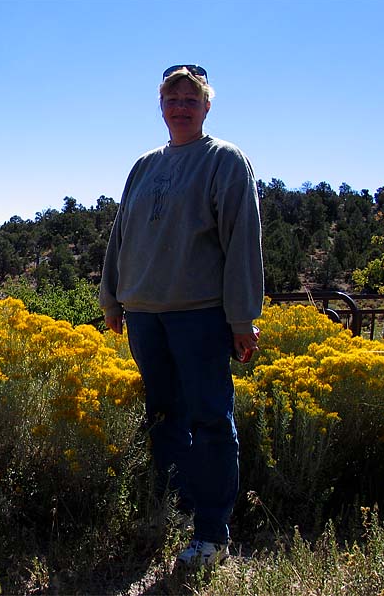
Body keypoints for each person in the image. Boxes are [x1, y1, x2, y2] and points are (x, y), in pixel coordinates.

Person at [98, 64, 264, 566]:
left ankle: (212, 534)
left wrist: (241, 318)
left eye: (192, 98)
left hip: (200, 315)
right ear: (161, 108)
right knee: (163, 418)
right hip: (145, 313)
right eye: (172, 99)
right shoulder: (144, 165)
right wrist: (112, 297)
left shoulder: (225, 161)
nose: (181, 107)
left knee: (210, 419)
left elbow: (242, 244)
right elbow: (120, 234)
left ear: (207, 105)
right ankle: (174, 513)